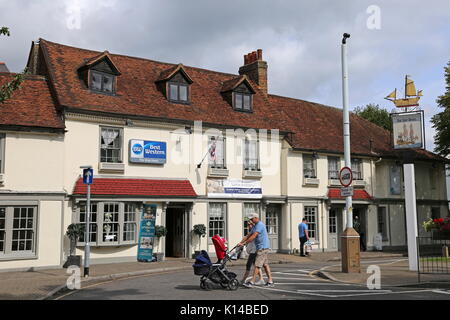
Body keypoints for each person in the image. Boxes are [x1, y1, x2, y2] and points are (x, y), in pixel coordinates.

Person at [238, 213, 274, 288]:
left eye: (251, 219)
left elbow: (254, 236)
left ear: (256, 218)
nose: (250, 221)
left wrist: (244, 243)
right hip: (261, 247)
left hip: (263, 248)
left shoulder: (260, 225)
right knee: (265, 264)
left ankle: (252, 282)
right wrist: (240, 242)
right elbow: (248, 235)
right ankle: (270, 281)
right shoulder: (255, 226)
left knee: (257, 265)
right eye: (250, 219)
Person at [240, 220, 264, 285]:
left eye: (250, 224)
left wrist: (243, 243)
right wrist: (240, 243)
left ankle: (243, 280)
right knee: (256, 265)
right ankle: (261, 279)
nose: (249, 226)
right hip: (253, 250)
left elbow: (250, 238)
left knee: (249, 264)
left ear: (253, 224)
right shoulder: (252, 230)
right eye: (248, 225)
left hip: (255, 250)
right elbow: (246, 236)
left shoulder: (255, 231)